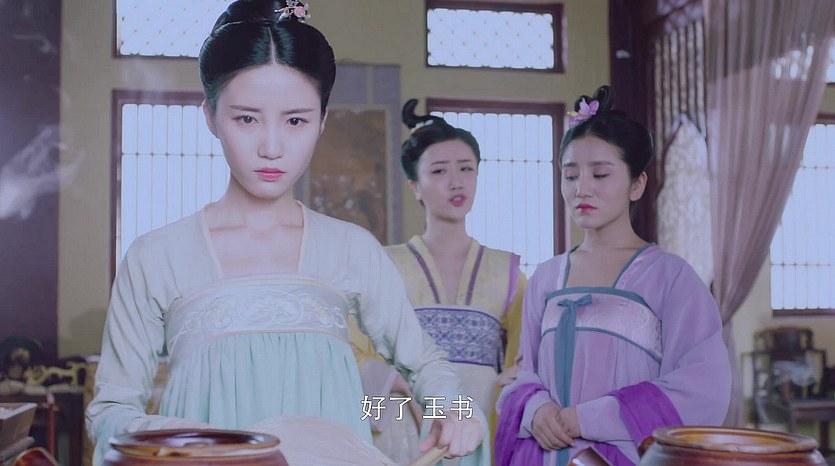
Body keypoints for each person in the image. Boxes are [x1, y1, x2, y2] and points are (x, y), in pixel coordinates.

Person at [85, 1, 483, 464]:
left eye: (295, 120)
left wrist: (455, 410)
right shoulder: (156, 256)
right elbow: (110, 412)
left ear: (322, 122)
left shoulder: (351, 248)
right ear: (210, 117)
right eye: (246, 119)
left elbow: (425, 363)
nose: (272, 147)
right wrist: (201, 440)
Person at [494, 85, 731, 466]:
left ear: (637, 184)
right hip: (541, 456)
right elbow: (523, 374)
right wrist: (537, 409)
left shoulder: (670, 277)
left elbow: (703, 387)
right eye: (570, 176)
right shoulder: (547, 277)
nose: (581, 189)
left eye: (600, 174)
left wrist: (586, 418)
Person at [350, 99, 526, 465]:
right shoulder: (384, 264)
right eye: (439, 171)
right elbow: (352, 345)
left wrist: (508, 386)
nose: (456, 181)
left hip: (480, 418)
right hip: (403, 421)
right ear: (415, 185)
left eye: (466, 168)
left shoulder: (508, 272)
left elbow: (522, 359)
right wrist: (396, 383)